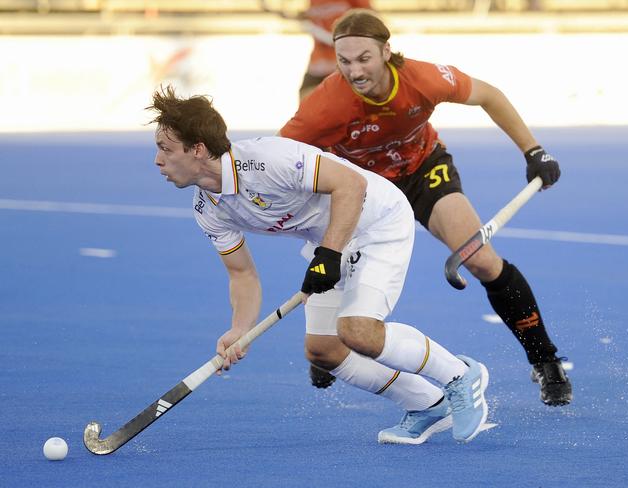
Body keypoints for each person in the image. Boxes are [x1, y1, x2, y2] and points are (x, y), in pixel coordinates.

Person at [148, 86, 490, 445]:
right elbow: (242, 273)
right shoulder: (207, 209)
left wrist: (329, 253)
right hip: (330, 241)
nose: (158, 160)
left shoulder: (267, 160)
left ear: (198, 149)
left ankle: (460, 375)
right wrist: (239, 329)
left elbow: (351, 184)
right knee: (323, 349)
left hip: (377, 221)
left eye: (166, 149)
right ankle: (427, 405)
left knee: (358, 330)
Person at [279, 9, 572, 406]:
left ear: (386, 51)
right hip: (362, 190)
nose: (354, 71)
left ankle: (545, 360)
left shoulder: (421, 78)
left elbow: (488, 94)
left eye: (364, 58)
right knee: (334, 274)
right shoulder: (326, 104)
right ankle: (328, 341)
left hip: (422, 170)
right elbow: (280, 157)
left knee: (483, 261)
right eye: (344, 61)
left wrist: (533, 150)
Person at [297, 0, 373, 101]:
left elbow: (369, 26)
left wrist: (314, 30)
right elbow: (316, 20)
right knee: (306, 103)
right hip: (318, 64)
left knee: (346, 106)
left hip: (345, 66)